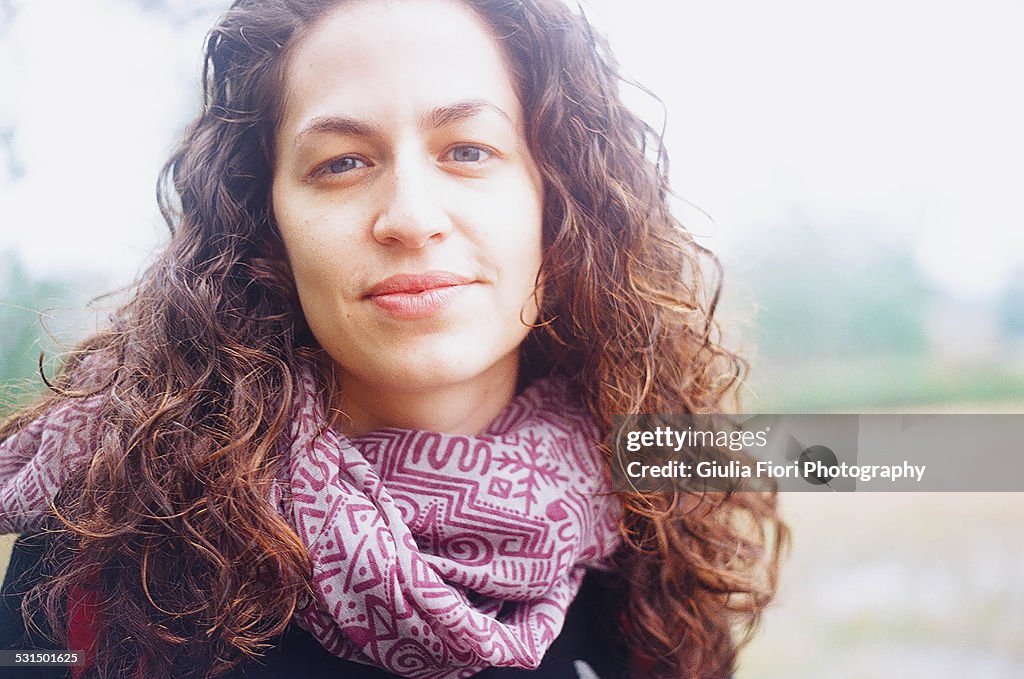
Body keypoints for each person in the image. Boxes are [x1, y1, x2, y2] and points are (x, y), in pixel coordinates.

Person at [1, 0, 787, 677]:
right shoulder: (106, 545)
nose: (411, 216)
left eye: (469, 151)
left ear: (559, 201)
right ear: (264, 225)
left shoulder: (654, 530)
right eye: (342, 162)